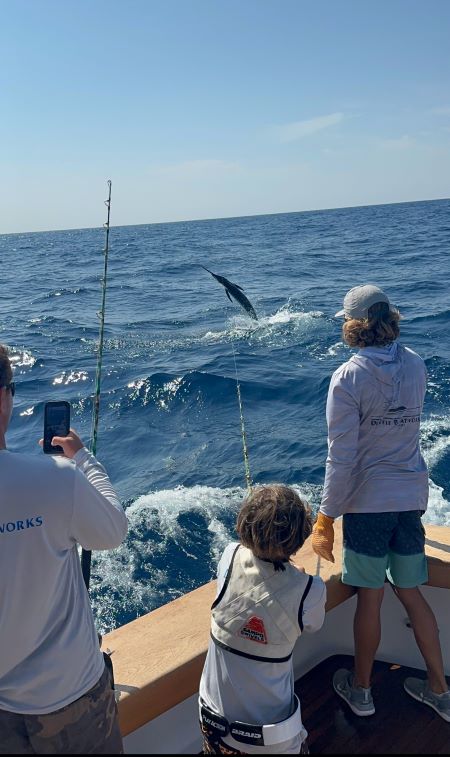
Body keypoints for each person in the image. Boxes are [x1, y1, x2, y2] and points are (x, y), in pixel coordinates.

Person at [312, 284, 450, 722]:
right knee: (412, 594)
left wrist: (325, 518)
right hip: (409, 500)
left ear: (352, 327)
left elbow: (342, 456)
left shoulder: (347, 378)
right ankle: (440, 690)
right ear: (392, 318)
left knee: (369, 600)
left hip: (368, 507)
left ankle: (363, 691)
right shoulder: (416, 364)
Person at [0, 344, 128, 753]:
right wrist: (84, 462)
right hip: (73, 705)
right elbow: (112, 531)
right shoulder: (56, 478)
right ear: (4, 397)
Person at [199, 484, 326, 755]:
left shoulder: (229, 557)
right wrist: (295, 574)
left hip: (214, 725)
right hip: (271, 740)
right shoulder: (310, 591)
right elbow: (313, 625)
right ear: (301, 534)